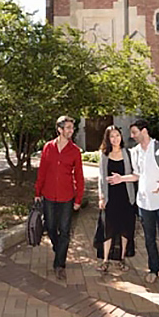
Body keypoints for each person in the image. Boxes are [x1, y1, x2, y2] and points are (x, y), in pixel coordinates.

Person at [107, 119, 159, 300]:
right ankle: (153, 269)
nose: (131, 136)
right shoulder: (136, 152)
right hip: (144, 204)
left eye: (134, 132)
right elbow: (136, 175)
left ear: (144, 131)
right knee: (149, 240)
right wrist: (121, 179)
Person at [34, 115, 84, 281]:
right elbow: (42, 171)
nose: (71, 131)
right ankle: (59, 248)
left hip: (67, 197)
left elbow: (79, 176)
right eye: (68, 128)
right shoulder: (48, 147)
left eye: (72, 128)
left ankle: (59, 265)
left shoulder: (75, 151)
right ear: (60, 129)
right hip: (48, 195)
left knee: (64, 230)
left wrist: (78, 199)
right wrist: (37, 192)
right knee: (49, 226)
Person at [96, 125, 136, 273]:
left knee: (126, 229)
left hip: (126, 197)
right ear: (107, 139)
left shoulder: (128, 153)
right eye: (112, 136)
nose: (115, 139)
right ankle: (105, 260)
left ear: (121, 136)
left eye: (117, 135)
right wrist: (101, 197)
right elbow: (101, 177)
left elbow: (134, 174)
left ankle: (122, 259)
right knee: (108, 228)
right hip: (110, 197)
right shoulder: (104, 155)